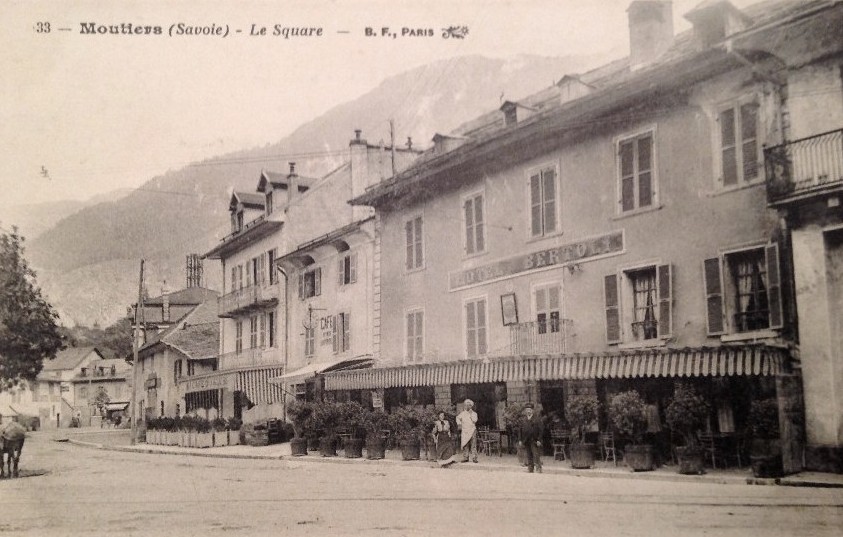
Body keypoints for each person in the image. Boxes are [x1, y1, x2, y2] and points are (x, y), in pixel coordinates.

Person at [518, 403, 543, 473]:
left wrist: (539, 440)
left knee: (536, 454)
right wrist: (520, 439)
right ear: (525, 411)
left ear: (532, 410)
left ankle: (538, 468)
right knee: (529, 455)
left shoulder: (537, 419)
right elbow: (520, 430)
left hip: (534, 440)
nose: (528, 411)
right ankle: (530, 468)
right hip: (526, 439)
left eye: (530, 410)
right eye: (527, 410)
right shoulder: (523, 419)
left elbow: (541, 430)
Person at [455, 399, 478, 463]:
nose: (468, 406)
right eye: (466, 405)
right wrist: (459, 424)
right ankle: (465, 457)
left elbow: (474, 421)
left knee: (473, 444)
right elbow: (457, 418)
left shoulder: (474, 414)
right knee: (465, 444)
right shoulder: (462, 413)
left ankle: (474, 458)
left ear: (471, 406)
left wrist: (470, 415)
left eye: (469, 405)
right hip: (465, 430)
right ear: (465, 406)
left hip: (472, 430)